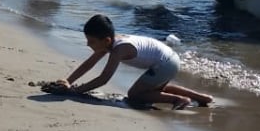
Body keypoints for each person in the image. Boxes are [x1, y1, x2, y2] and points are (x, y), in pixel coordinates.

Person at [48, 14, 211, 109]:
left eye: (91, 41)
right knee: (153, 88)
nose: (88, 45)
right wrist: (68, 80)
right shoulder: (109, 43)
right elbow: (89, 63)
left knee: (135, 95)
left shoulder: (119, 49)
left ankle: (178, 100)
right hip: (170, 59)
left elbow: (104, 78)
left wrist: (77, 91)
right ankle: (201, 97)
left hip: (165, 63)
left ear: (106, 40)